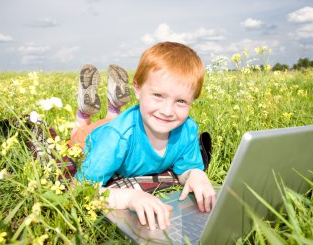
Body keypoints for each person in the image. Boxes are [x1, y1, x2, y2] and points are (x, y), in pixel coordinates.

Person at [70, 41, 216, 231]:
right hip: (95, 137)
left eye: (180, 101)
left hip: (129, 124)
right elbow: (79, 189)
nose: (167, 111)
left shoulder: (186, 129)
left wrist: (195, 175)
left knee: (114, 121)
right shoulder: (116, 138)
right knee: (78, 134)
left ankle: (113, 109)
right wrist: (129, 197)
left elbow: (185, 169)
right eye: (158, 95)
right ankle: (83, 115)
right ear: (137, 89)